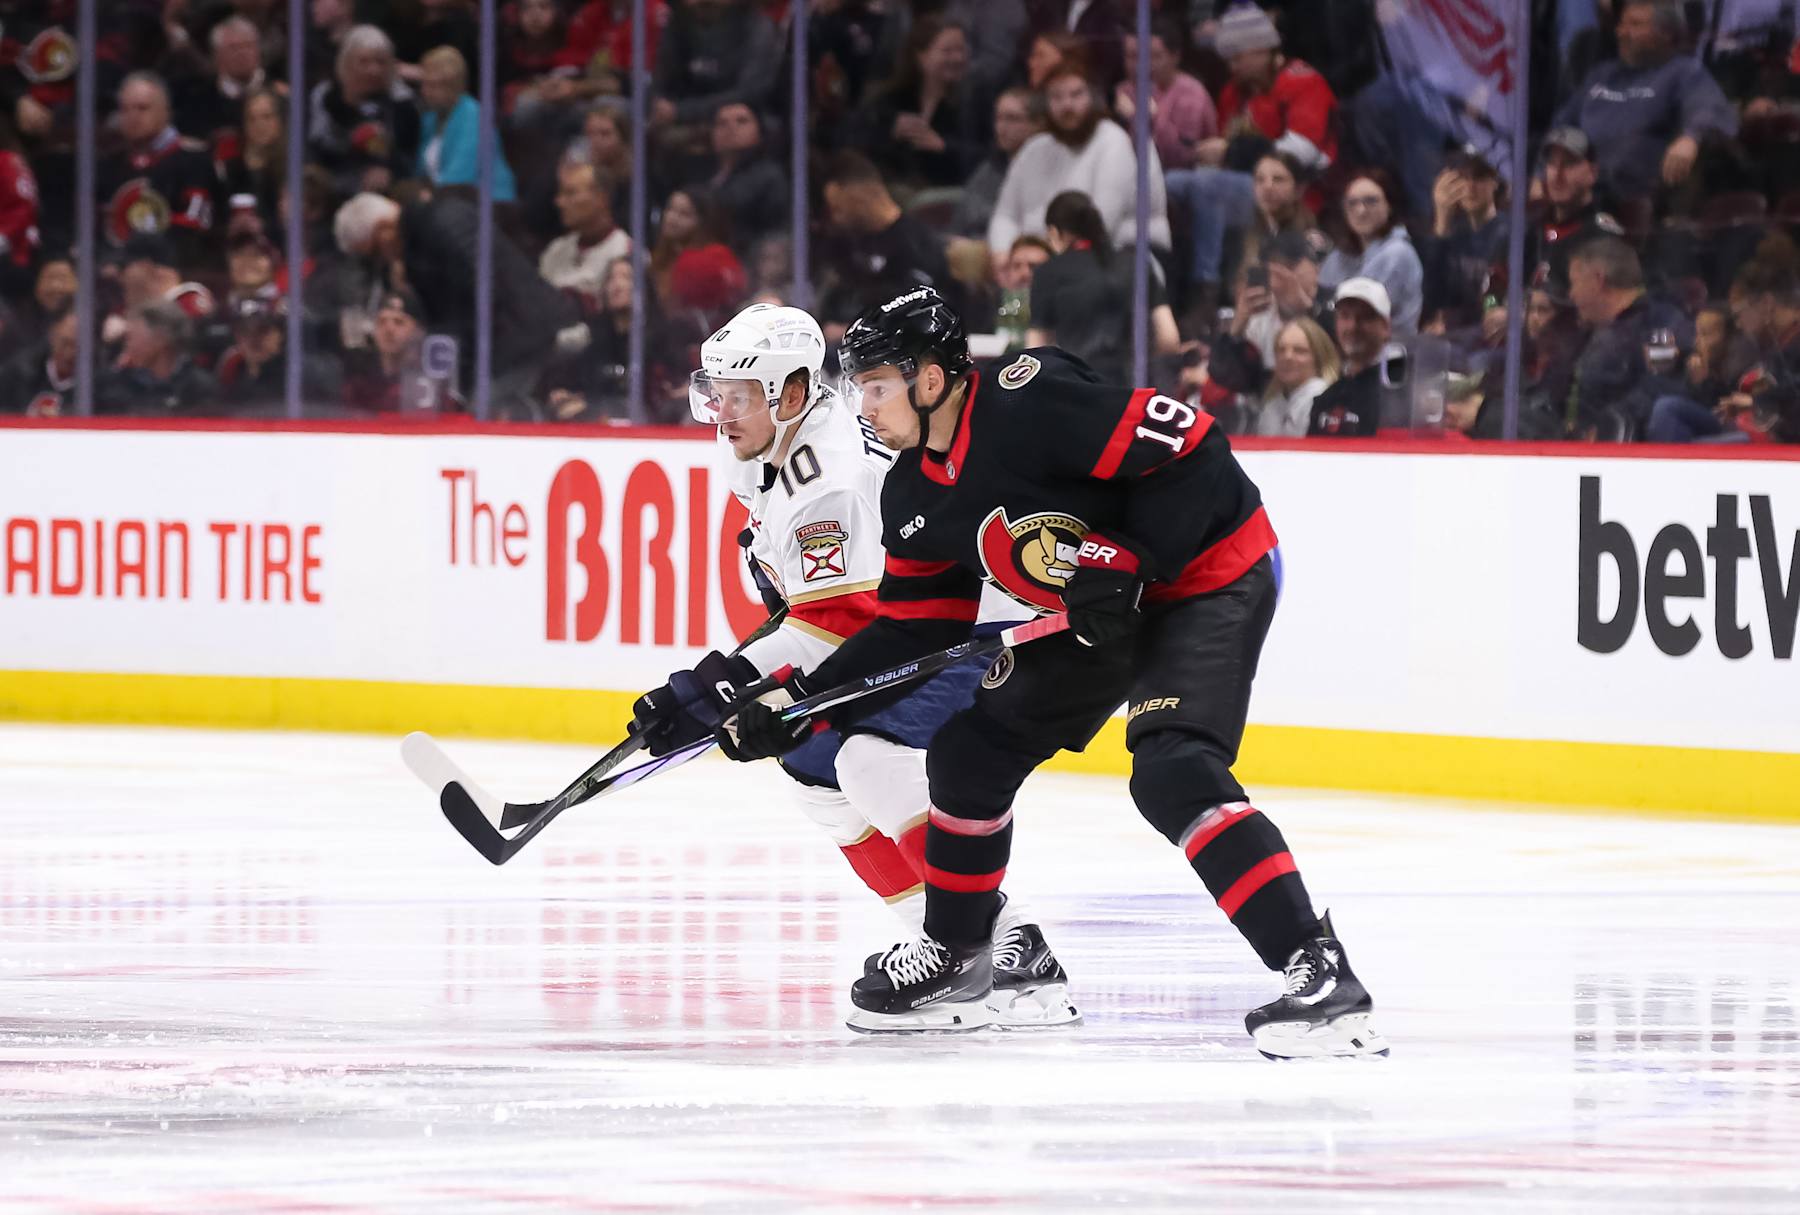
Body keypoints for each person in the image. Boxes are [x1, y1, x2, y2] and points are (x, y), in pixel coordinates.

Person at [716, 287, 1387, 1056]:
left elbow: (1195, 447)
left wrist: (1132, 554)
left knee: (1172, 770)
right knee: (969, 757)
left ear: (930, 380)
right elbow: (909, 629)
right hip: (1098, 610)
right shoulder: (912, 488)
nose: (861, 405)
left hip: (1209, 574)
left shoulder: (1027, 402)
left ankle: (1319, 969)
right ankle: (960, 958)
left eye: (875, 384)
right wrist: (803, 704)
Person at [629, 302, 1079, 1028]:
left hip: (984, 624)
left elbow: (843, 620)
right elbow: (818, 609)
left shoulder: (828, 474)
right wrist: (727, 683)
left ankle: (998, 942)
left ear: (794, 392)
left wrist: (719, 682)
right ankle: (959, 940)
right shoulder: (764, 449)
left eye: (739, 394)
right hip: (921, 622)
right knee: (812, 765)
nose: (721, 410)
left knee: (869, 760)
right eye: (715, 390)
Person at [1163, 5, 1336, 302]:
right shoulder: (1234, 92)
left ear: (1263, 49)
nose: (1232, 66)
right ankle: (1169, 285)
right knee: (1170, 185)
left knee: (1207, 188)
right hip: (1244, 189)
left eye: (1238, 57)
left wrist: (1231, 151)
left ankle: (1205, 288)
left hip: (1299, 194)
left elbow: (1303, 151)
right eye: (1229, 59)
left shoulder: (1303, 81)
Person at [1553, 0, 1736, 206]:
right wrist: (1542, 173)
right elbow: (1562, 125)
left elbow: (1707, 107)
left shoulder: (1683, 72)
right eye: (1621, 24)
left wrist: (1691, 137)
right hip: (1580, 193)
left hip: (1634, 198)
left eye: (1635, 25)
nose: (1622, 32)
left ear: (1666, 33)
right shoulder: (1601, 75)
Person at [986, 62, 1171, 260]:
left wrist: (1038, 258)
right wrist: (1003, 254)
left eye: (1076, 95)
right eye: (1056, 97)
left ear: (1094, 97)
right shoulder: (1034, 149)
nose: (1067, 105)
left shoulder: (1112, 141)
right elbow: (1005, 215)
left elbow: (1101, 224)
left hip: (1109, 264)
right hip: (1035, 266)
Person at [1025, 191, 1179, 383]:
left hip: (1078, 389)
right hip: (1130, 389)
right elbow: (1168, 338)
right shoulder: (1136, 264)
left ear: (1055, 232)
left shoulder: (1048, 273)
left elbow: (1035, 349)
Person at [814, 152, 960, 341]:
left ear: (859, 196)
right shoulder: (847, 247)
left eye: (838, 208)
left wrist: (855, 331)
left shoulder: (916, 245)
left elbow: (922, 315)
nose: (836, 218)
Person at [1565, 235, 1691, 438]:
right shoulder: (1588, 332)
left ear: (1598, 280)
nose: (1571, 294)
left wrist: (1607, 423)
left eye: (1574, 283)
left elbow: (1661, 385)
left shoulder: (1660, 324)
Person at [97, 72, 219, 266]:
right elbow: (100, 229)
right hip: (117, 271)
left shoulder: (194, 159)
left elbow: (196, 225)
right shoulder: (109, 164)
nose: (132, 117)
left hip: (177, 268)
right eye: (125, 110)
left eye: (142, 108)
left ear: (166, 112)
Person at [848, 17, 977, 192]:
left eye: (961, 50)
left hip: (949, 193)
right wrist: (891, 132)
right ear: (921, 57)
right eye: (947, 51)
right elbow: (855, 142)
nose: (958, 58)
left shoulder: (974, 101)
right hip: (891, 190)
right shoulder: (890, 99)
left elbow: (986, 154)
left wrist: (943, 146)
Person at [307, 25, 420, 197]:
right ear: (345, 64)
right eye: (364, 62)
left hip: (385, 191)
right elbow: (316, 148)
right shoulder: (325, 96)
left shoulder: (403, 102)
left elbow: (409, 156)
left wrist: (389, 170)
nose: (373, 70)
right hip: (330, 187)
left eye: (381, 62)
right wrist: (348, 108)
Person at [1318, 170, 1423, 337]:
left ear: (1390, 206)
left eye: (1371, 201)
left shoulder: (1397, 253)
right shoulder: (1339, 255)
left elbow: (1358, 314)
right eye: (1352, 203)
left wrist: (1304, 301)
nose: (1361, 210)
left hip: (1391, 353)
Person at [1419, 146, 1507, 332]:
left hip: (1490, 332)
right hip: (1458, 332)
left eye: (1479, 177)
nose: (1470, 187)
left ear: (1495, 182)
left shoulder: (1507, 232)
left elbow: (1493, 295)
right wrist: (1442, 221)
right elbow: (1434, 296)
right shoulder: (1453, 234)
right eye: (1462, 178)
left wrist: (1489, 308)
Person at [1113, 20, 1217, 173]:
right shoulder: (1124, 90)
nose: (1141, 65)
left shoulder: (1192, 95)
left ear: (1175, 56)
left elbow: (1182, 157)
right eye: (1132, 56)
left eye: (1153, 56)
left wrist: (1141, 117)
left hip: (1179, 181)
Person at [416, 47, 519, 201]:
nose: (425, 92)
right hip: (446, 203)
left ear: (453, 86)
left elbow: (460, 175)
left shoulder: (474, 116)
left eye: (433, 86)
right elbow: (421, 172)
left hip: (487, 203)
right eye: (424, 84)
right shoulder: (430, 119)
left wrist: (429, 198)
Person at [214, 294, 343, 414]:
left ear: (280, 335)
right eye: (244, 331)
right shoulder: (232, 378)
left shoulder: (300, 378)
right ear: (236, 337)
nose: (253, 339)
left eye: (262, 330)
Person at [96, 299, 221, 416]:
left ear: (161, 338)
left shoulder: (200, 389)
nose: (127, 346)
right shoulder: (112, 386)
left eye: (131, 337)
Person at [952, 87, 1043, 241]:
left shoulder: (1048, 169)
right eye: (998, 118)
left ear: (1038, 124)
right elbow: (960, 223)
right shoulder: (989, 169)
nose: (1001, 127)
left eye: (1012, 119)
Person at [698, 101, 788, 254]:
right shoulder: (700, 176)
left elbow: (776, 233)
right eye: (721, 123)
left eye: (742, 121)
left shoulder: (769, 177)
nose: (731, 127)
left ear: (759, 132)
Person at [539, 160, 632, 308]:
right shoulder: (555, 250)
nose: (559, 202)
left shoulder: (626, 252)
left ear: (601, 199)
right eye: (561, 193)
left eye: (570, 193)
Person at [1307, 277, 1391, 437]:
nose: (1353, 326)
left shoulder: (1399, 395)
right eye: (1345, 316)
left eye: (1364, 317)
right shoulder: (1326, 399)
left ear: (1385, 326)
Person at [173, 16, 267, 145]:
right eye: (234, 48)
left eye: (248, 46)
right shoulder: (197, 99)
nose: (242, 53)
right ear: (217, 55)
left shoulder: (281, 90)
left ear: (258, 50)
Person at [1255, 316, 1338, 437]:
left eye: (1299, 351)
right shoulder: (1271, 405)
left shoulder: (1327, 403)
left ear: (1318, 357)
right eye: (1281, 350)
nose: (1287, 357)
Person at [0, 307, 77, 417]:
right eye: (65, 343)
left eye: (76, 346)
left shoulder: (98, 385)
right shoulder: (18, 375)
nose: (69, 353)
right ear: (52, 336)